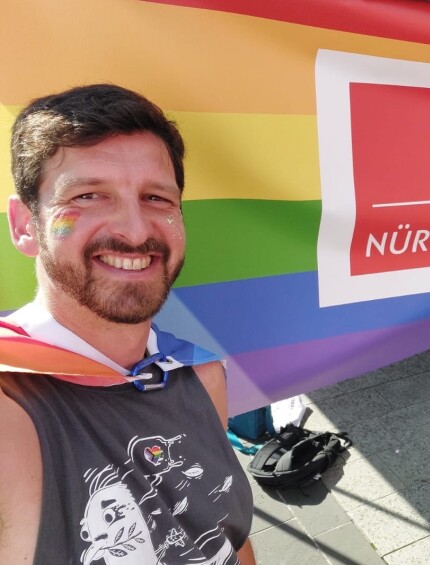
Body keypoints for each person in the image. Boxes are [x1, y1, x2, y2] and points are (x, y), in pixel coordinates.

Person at [0, 84, 256, 564]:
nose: (136, 231)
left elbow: (228, 535)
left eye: (157, 197)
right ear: (24, 225)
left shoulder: (200, 375)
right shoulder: (9, 405)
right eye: (89, 194)